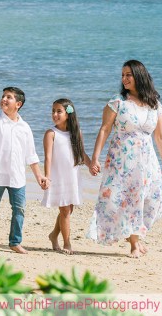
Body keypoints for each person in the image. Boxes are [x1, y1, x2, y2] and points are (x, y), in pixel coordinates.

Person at [87, 59, 162, 258]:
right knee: (128, 198)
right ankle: (134, 242)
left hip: (147, 161)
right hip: (122, 159)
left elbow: (160, 136)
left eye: (128, 75)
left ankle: (135, 235)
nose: (124, 79)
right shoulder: (118, 102)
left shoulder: (155, 105)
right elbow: (105, 129)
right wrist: (95, 158)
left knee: (151, 198)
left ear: (139, 76)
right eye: (123, 75)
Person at [0, 87, 47, 254]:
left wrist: (39, 177)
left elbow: (31, 155)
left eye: (9, 97)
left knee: (19, 208)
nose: (4, 99)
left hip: (17, 177)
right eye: (3, 96)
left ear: (18, 104)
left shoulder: (25, 127)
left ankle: (15, 241)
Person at [42, 98, 91, 255]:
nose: (55, 114)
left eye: (59, 111)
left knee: (69, 210)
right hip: (58, 176)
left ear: (68, 114)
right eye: (53, 111)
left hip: (72, 175)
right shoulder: (51, 133)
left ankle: (54, 234)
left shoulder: (76, 133)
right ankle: (67, 243)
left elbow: (82, 153)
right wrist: (47, 177)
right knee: (64, 211)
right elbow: (48, 157)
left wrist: (91, 165)